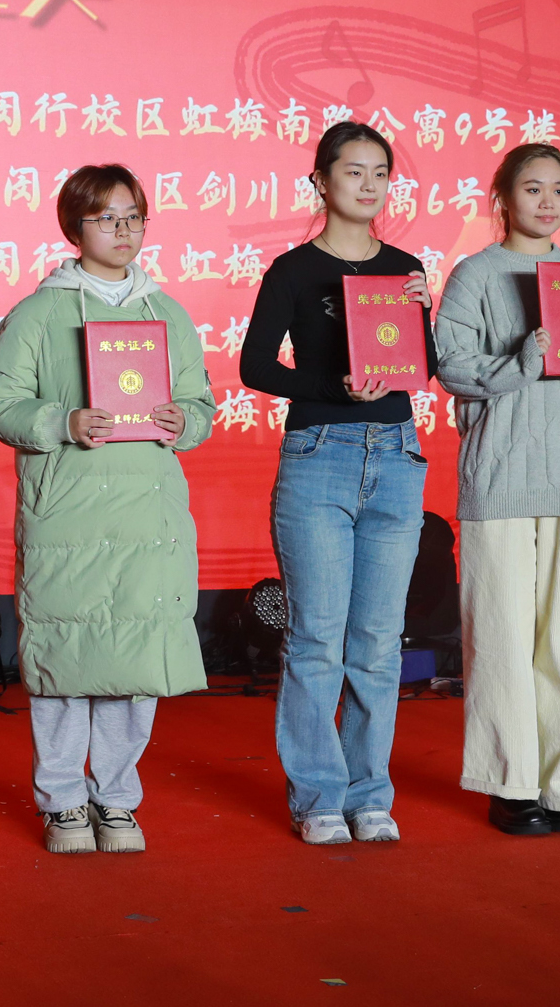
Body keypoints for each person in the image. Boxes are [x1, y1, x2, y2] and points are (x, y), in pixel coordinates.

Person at [0, 165, 214, 855]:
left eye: (133, 216)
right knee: (65, 657)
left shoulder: (166, 312)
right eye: (107, 218)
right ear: (73, 227)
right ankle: (62, 802)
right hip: (69, 517)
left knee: (133, 660)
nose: (123, 230)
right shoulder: (38, 313)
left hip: (146, 518)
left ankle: (116, 798)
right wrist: (62, 421)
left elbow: (199, 403)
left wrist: (184, 421)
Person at [238, 122, 434, 846]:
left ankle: (369, 793)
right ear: (320, 182)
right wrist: (332, 388)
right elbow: (256, 366)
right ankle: (319, 795)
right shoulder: (292, 269)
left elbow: (421, 366)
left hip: (398, 455)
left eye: (381, 172)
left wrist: (423, 310)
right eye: (354, 171)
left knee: (378, 641)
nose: (369, 184)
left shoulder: (406, 267)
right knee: (317, 637)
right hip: (319, 453)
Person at [435, 143, 560, 837]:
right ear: (502, 197)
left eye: (559, 189)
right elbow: (451, 366)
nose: (547, 202)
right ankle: (510, 781)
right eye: (532, 188)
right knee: (500, 635)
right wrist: (523, 359)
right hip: (500, 476)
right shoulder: (476, 274)